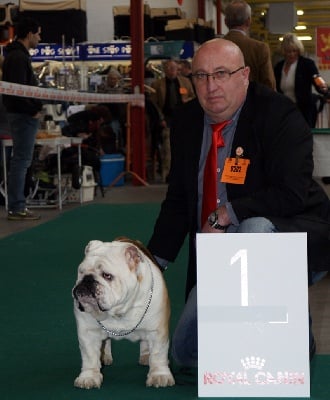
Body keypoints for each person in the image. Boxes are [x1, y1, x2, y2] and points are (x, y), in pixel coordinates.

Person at [147, 38, 330, 368]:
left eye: (221, 74)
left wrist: (225, 214)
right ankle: (243, 337)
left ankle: (294, 337)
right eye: (201, 76)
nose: (210, 86)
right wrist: (150, 264)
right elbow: (177, 200)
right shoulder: (186, 122)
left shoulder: (280, 115)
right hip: (217, 254)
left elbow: (291, 192)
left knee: (254, 228)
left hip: (289, 231)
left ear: (244, 75)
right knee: (186, 353)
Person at [2, 17, 43, 220]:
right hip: (23, 116)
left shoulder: (15, 56)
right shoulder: (18, 58)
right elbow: (18, 93)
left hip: (20, 115)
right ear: (29, 34)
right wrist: (33, 109)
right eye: (38, 34)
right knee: (20, 161)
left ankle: (17, 205)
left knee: (19, 161)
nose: (39, 38)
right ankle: (17, 207)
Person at [150, 59, 195, 181]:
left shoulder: (185, 82)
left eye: (174, 68)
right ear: (164, 70)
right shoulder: (157, 85)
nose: (172, 71)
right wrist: (161, 119)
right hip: (167, 119)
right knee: (168, 147)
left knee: (187, 146)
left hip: (184, 118)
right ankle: (169, 174)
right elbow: (154, 105)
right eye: (169, 68)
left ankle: (186, 173)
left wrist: (188, 101)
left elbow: (193, 97)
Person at [274, 32, 328, 128]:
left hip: (304, 111)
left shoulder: (307, 64)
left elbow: (317, 79)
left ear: (299, 50)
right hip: (284, 110)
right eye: (288, 51)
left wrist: (324, 89)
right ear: (283, 51)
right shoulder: (278, 67)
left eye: (294, 51)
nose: (291, 54)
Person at [224, 0, 276, 90]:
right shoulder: (260, 48)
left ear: (225, 22)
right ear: (248, 21)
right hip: (255, 102)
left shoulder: (212, 47)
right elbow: (269, 83)